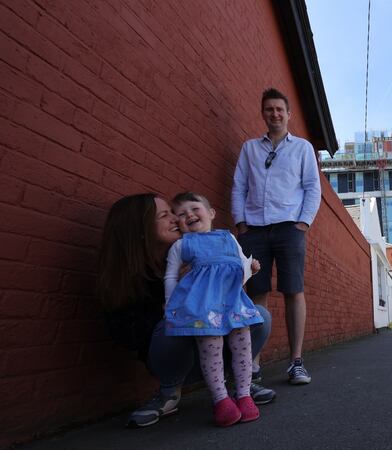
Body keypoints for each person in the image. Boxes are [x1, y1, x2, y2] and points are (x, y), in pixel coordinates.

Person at [97, 193, 275, 429]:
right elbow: (130, 337)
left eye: (174, 212)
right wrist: (181, 298)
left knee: (258, 315)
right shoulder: (134, 275)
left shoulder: (204, 249)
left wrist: (241, 273)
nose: (177, 218)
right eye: (166, 214)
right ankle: (169, 392)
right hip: (176, 358)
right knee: (168, 326)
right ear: (141, 230)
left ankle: (239, 384)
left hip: (218, 347)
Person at [232, 87, 321, 385]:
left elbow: (312, 188)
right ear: (263, 114)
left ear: (288, 114)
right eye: (269, 109)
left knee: (293, 291)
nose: (275, 114)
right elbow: (239, 186)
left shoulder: (303, 148)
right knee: (256, 293)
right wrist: (241, 223)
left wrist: (304, 223)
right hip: (254, 230)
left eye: (279, 109)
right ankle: (253, 361)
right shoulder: (249, 148)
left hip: (289, 228)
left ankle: (296, 362)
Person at [164, 192, 264, 426]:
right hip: (202, 308)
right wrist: (169, 306)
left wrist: (252, 269)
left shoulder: (229, 238)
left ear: (211, 213)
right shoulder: (181, 245)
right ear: (178, 223)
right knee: (211, 348)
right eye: (181, 213)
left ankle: (244, 395)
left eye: (194, 208)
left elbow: (240, 267)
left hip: (233, 303)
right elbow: (170, 276)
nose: (189, 214)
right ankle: (221, 400)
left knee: (242, 345)